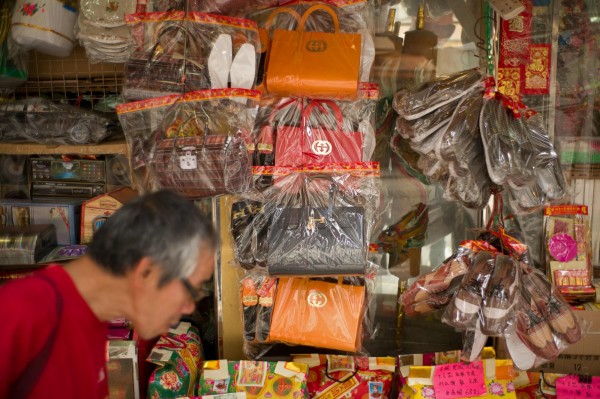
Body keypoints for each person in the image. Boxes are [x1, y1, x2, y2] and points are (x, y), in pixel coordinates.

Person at [0, 189, 217, 399]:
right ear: (146, 272)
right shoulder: (21, 312)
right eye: (191, 289)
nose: (190, 307)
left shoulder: (91, 319)